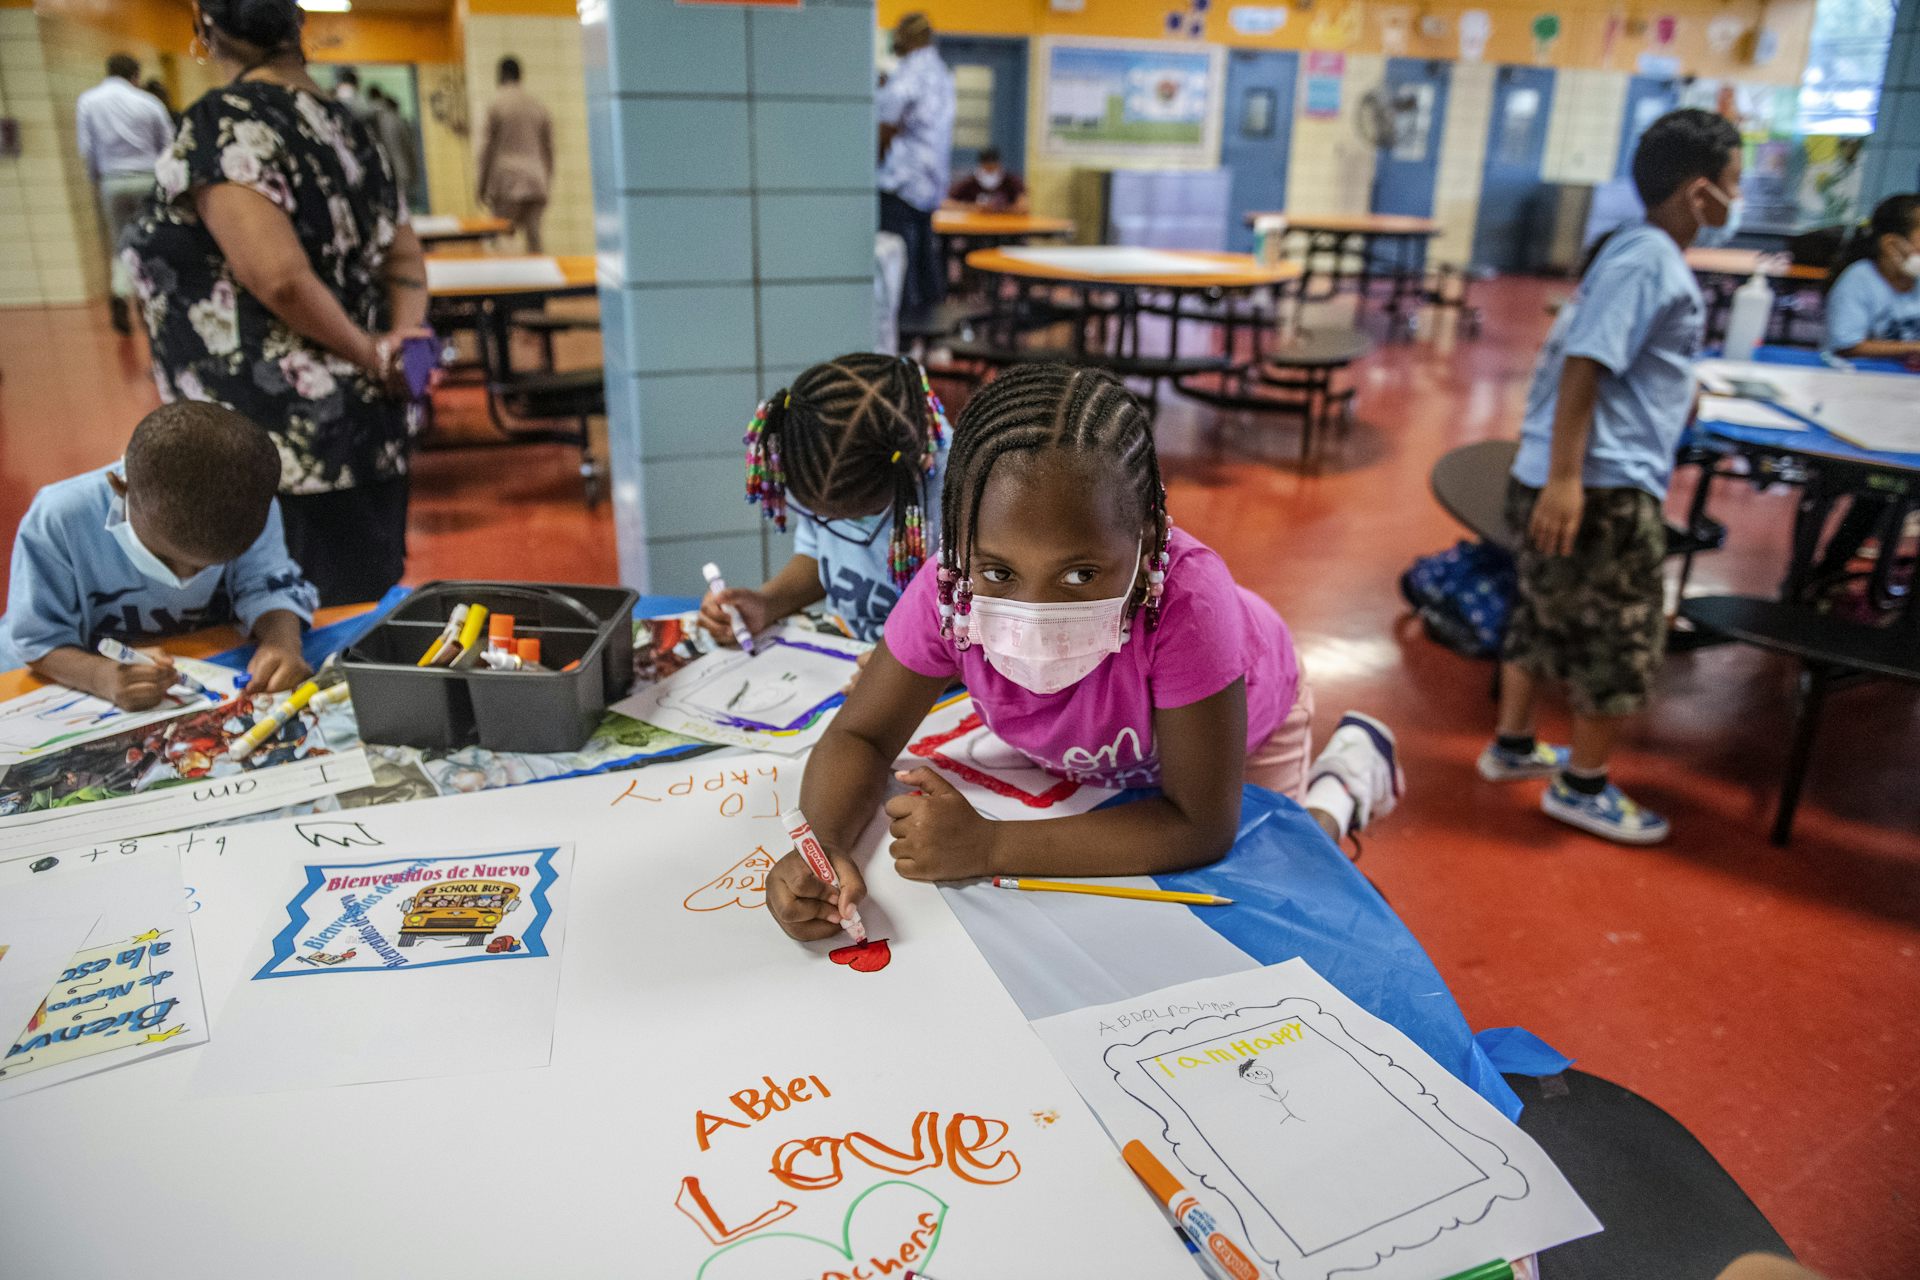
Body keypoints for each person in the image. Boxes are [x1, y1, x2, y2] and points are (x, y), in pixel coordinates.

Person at [763, 364, 1400, 941]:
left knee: (1279, 874)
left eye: (1080, 576)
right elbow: (862, 736)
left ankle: (1344, 784)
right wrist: (821, 845)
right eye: (999, 573)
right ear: (955, 540)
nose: (1037, 614)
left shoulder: (1190, 602)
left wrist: (989, 845)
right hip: (1095, 757)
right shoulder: (945, 591)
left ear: (1150, 533)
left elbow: (1201, 823)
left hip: (1243, 736)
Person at [1477, 108, 1741, 845]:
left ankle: (1514, 745)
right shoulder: (1650, 259)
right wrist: (1569, 478)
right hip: (1602, 484)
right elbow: (1587, 362)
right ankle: (1583, 787)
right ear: (1698, 192)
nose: (1733, 200)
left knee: (1541, 612)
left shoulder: (1627, 252)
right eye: (1732, 185)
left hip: (1570, 471)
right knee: (1620, 638)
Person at [123, 0, 429, 608]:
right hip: (365, 433)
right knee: (358, 621)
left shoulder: (223, 123)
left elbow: (279, 280)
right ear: (298, 27)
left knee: (291, 629)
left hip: (274, 447)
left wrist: (372, 354)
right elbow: (405, 264)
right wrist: (400, 350)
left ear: (206, 28)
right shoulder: (348, 125)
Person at [0, 401, 316, 706]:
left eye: (210, 568)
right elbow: (36, 640)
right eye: (167, 558)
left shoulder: (251, 505)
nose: (186, 577)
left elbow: (268, 585)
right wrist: (101, 677)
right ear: (121, 487)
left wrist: (282, 642)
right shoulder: (61, 518)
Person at [702, 354, 949, 647]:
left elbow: (991, 634)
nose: (837, 529)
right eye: (820, 516)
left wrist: (911, 669)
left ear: (909, 474)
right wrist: (767, 603)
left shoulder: (962, 490)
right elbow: (819, 556)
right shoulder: (821, 457)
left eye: (860, 517)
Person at [75, 53, 174, 335]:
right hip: (147, 178)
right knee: (152, 242)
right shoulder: (148, 102)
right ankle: (150, 304)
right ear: (135, 75)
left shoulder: (88, 101)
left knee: (121, 244)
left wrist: (97, 180)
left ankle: (120, 293)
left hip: (112, 181)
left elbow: (87, 148)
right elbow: (167, 146)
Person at [876, 13, 954, 320]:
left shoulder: (910, 72)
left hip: (902, 181)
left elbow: (886, 123)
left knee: (898, 262)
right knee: (924, 257)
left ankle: (906, 331)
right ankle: (932, 331)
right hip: (929, 183)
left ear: (906, 36)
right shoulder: (941, 72)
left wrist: (874, 158)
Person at [1823, 193, 1920, 358]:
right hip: (1855, 377)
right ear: (1891, 245)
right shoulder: (1858, 280)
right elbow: (1847, 345)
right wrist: (1915, 348)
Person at [477, 56, 553, 253]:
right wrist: (547, 180)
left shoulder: (495, 104)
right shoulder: (537, 105)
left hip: (506, 181)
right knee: (535, 240)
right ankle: (542, 282)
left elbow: (485, 149)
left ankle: (510, 282)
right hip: (536, 179)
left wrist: (481, 186)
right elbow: (549, 149)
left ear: (500, 75)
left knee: (503, 238)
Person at [366, 85, 420, 211]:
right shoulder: (395, 119)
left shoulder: (368, 116)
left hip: (381, 168)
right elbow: (408, 145)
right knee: (402, 205)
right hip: (398, 165)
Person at [947, 147, 1027, 213]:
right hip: (975, 226)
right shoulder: (970, 182)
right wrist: (972, 208)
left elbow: (1024, 206)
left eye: (993, 169)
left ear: (999, 166)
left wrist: (1001, 209)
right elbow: (947, 203)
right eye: (987, 170)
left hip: (1005, 227)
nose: (990, 173)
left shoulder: (1011, 181)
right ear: (981, 166)